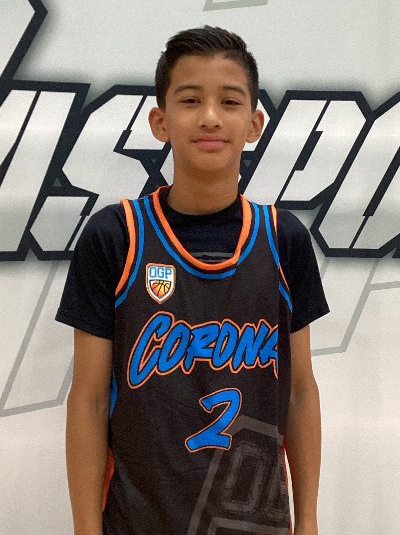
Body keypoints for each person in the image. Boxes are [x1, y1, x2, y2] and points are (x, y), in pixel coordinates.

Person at [56, 26, 329, 535]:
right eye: (190, 100)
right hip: (139, 522)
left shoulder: (284, 239)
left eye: (229, 101)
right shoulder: (115, 236)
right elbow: (89, 399)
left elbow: (298, 391)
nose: (209, 117)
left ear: (254, 124)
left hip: (256, 522)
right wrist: (84, 529)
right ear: (160, 122)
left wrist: (308, 520)